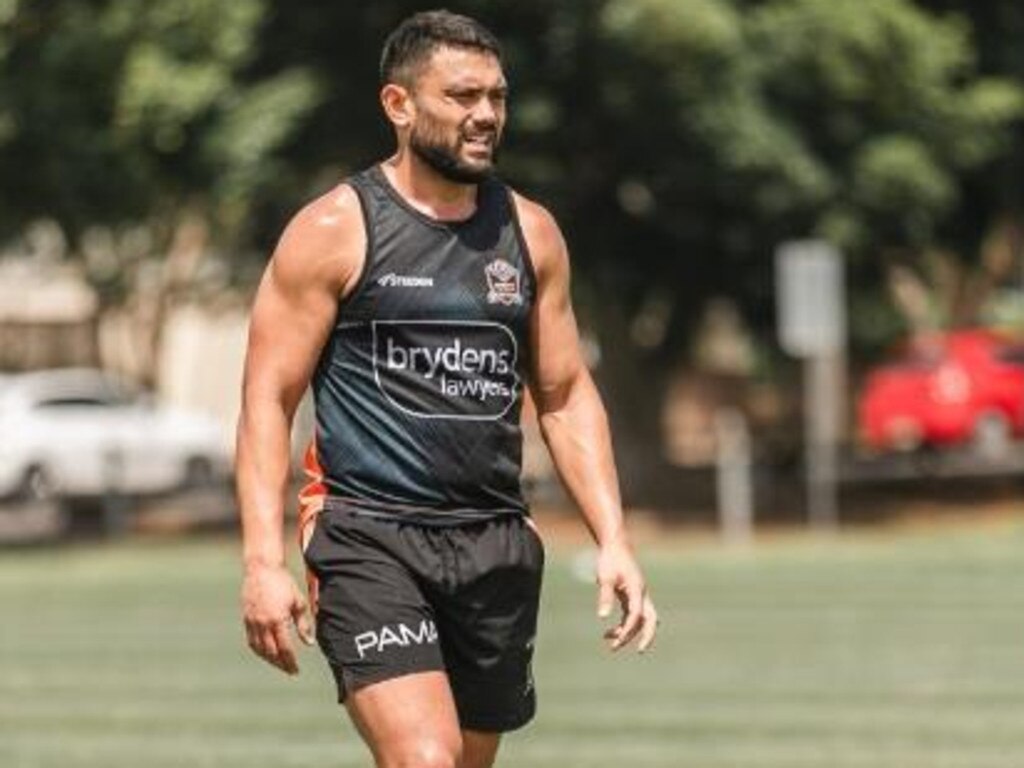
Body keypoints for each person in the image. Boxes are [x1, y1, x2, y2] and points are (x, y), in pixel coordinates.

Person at [236, 9, 658, 768]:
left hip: (493, 540)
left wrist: (614, 539)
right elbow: (268, 399)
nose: (486, 116)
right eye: (462, 97)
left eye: (496, 97)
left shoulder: (531, 234)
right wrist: (263, 563)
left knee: (463, 762)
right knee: (425, 760)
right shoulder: (335, 228)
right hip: (368, 532)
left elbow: (562, 393)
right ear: (399, 106)